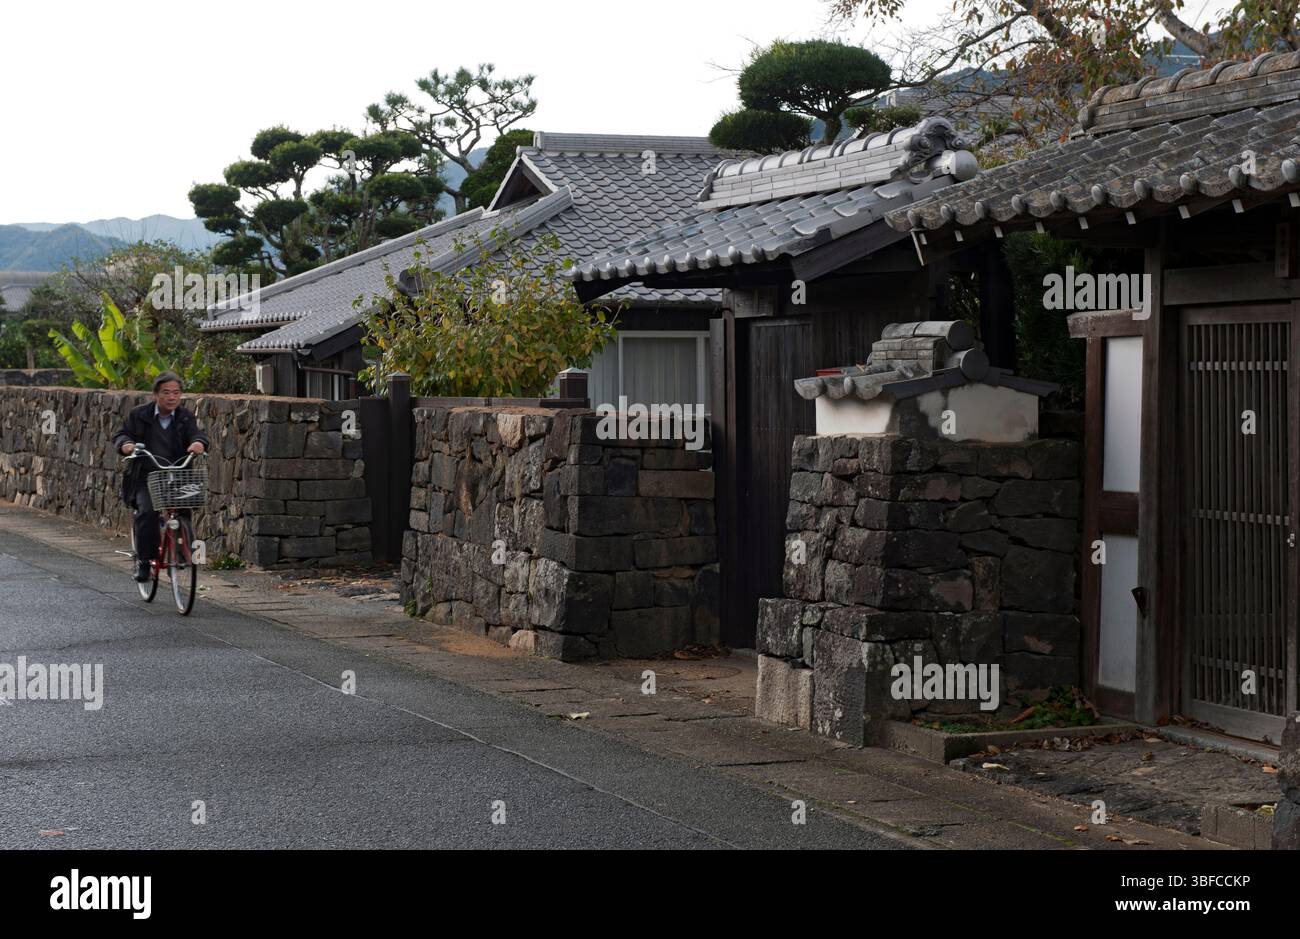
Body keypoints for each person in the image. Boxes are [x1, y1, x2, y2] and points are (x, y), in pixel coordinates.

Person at [112, 372, 209, 581]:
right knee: (147, 512)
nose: (171, 397)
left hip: (177, 473)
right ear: (156, 395)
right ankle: (144, 562)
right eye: (166, 392)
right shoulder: (139, 415)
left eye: (176, 393)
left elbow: (196, 434)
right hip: (146, 475)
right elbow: (122, 435)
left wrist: (199, 443)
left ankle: (183, 553)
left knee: (184, 509)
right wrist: (126, 446)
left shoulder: (185, 416)